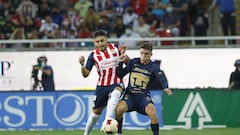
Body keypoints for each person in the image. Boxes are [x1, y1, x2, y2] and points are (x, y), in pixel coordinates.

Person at [116, 43, 172, 135]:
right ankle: (119, 132)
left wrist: (165, 86)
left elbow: (161, 77)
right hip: (130, 94)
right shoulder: (133, 62)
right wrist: (120, 62)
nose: (143, 55)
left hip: (143, 96)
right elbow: (120, 74)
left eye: (146, 54)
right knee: (119, 110)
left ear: (151, 55)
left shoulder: (154, 67)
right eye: (142, 53)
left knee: (153, 112)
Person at [79, 30, 128, 135]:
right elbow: (85, 74)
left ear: (106, 40)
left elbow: (127, 62)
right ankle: (86, 133)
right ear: (94, 43)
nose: (100, 43)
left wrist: (124, 56)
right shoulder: (93, 55)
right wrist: (82, 66)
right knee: (95, 114)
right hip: (102, 86)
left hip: (117, 82)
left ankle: (108, 122)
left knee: (115, 94)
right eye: (97, 42)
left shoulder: (116, 48)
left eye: (102, 40)